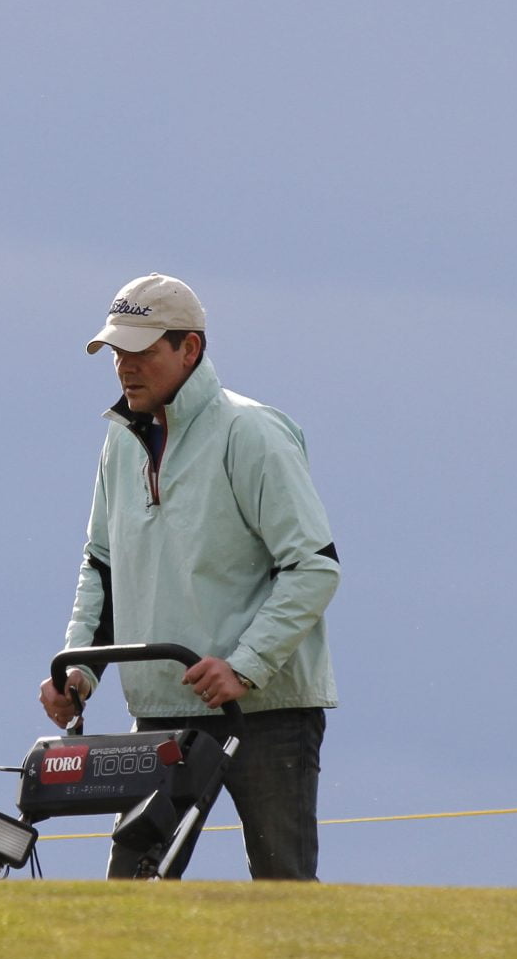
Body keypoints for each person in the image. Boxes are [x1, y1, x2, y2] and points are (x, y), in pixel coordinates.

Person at [39, 273, 340, 880]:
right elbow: (103, 563)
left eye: (143, 350)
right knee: (130, 900)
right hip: (160, 709)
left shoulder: (251, 432)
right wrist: (79, 669)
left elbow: (314, 566)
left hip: (269, 714)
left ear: (190, 350)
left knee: (285, 896)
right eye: (118, 352)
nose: (126, 366)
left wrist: (245, 666)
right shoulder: (119, 441)